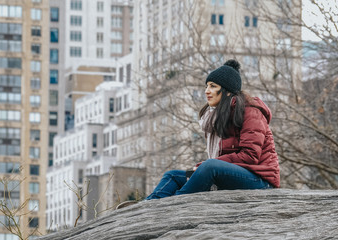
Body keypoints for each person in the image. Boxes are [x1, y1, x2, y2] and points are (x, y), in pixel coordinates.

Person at [117, 59, 279, 209]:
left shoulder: (251, 112)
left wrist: (209, 164)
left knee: (209, 167)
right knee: (172, 175)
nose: (207, 91)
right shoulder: (217, 116)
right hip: (237, 173)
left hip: (260, 180)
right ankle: (146, 207)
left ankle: (172, 206)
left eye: (213, 86)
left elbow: (250, 155)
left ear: (228, 91)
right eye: (206, 86)